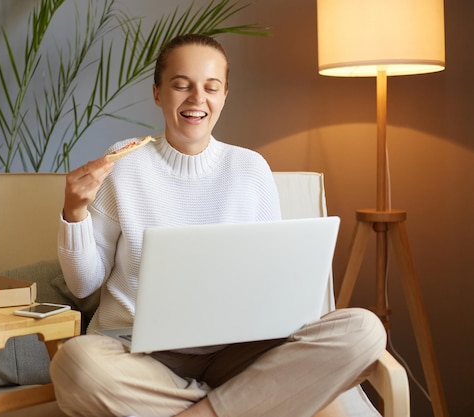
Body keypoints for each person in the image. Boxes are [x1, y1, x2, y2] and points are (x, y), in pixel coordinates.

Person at [50, 33, 386, 417]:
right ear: (158, 93)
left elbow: (268, 281)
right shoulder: (123, 165)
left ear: (225, 95)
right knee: (75, 365)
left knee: (365, 329)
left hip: (236, 353)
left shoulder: (251, 169)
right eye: (181, 86)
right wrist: (73, 212)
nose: (197, 99)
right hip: (138, 354)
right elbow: (83, 284)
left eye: (211, 87)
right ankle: (252, 404)